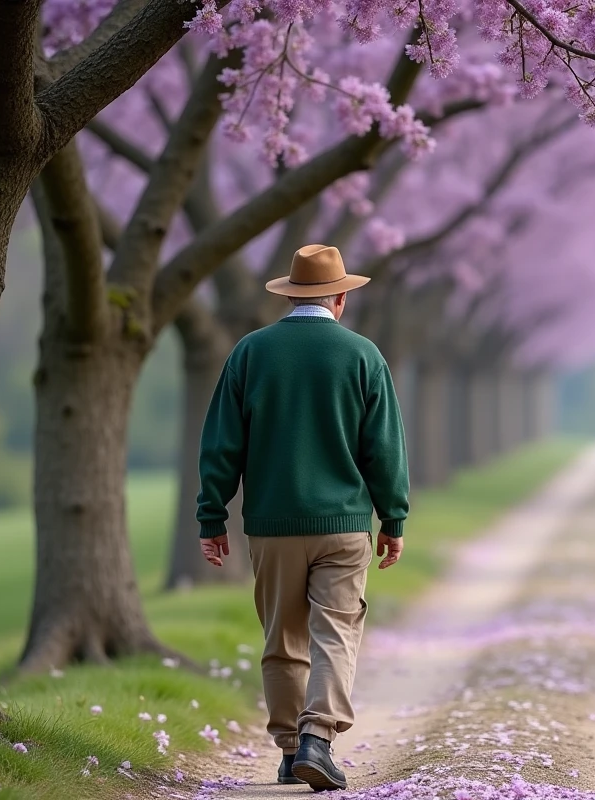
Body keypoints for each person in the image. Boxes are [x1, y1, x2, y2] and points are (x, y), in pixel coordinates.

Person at [196, 243, 410, 791]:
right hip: (342, 524)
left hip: (271, 525)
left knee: (283, 637)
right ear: (340, 298)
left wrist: (211, 516)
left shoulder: (250, 353)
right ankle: (319, 737)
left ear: (292, 295)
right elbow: (383, 451)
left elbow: (223, 443)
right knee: (335, 630)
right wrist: (394, 519)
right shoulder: (363, 356)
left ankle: (291, 750)